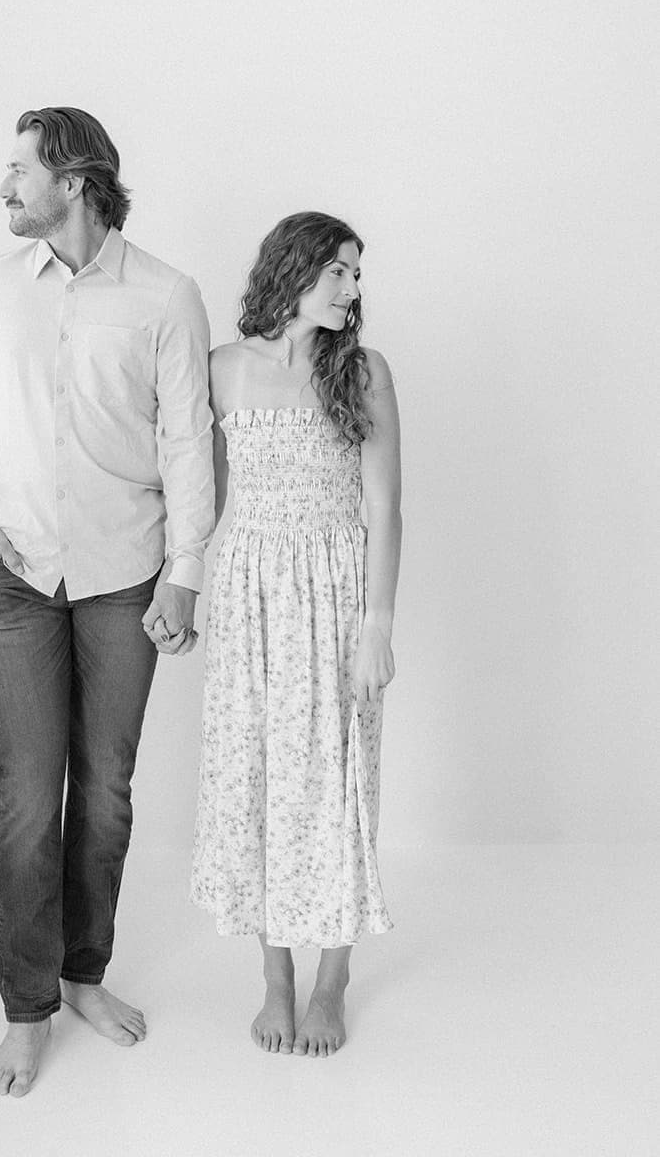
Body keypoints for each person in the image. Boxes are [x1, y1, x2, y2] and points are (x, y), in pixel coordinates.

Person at [0, 107, 214, 1098]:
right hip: (13, 579)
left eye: (18, 170)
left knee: (103, 791)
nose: (3, 187)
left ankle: (83, 971)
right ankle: (25, 1009)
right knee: (24, 796)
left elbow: (187, 439)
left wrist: (184, 570)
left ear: (76, 178)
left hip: (125, 575)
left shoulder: (165, 295)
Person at [190, 211, 400, 1057]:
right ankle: (274, 977)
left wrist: (376, 624)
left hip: (337, 590)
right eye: (339, 271)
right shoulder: (219, 371)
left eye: (356, 274)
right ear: (294, 270)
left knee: (339, 783)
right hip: (250, 595)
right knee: (254, 781)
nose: (352, 288)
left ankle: (331, 979)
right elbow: (195, 499)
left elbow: (384, 507)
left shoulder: (363, 372)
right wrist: (182, 590)